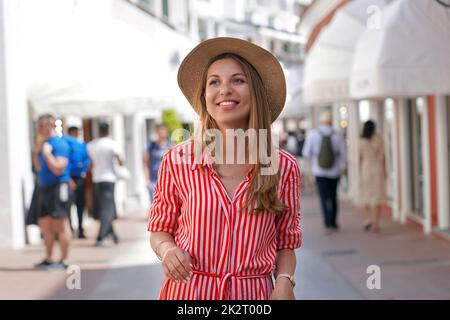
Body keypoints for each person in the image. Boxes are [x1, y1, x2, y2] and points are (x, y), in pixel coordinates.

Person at [147, 37, 301, 300]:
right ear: (205, 96)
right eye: (214, 82)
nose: (224, 89)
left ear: (255, 92)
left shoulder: (282, 167)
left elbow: (286, 243)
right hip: (189, 295)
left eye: (238, 80)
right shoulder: (177, 161)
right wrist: (167, 250)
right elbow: (160, 230)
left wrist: (285, 280)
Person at [32, 114, 72, 270]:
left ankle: (64, 260)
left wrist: (47, 154)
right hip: (43, 187)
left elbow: (57, 168)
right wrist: (37, 153)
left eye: (44, 125)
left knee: (60, 223)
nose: (42, 129)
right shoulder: (44, 144)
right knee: (45, 223)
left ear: (52, 125)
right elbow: (38, 168)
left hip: (58, 186)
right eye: (39, 126)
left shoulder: (59, 144)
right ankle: (49, 258)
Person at [302, 110, 347, 234]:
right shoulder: (336, 135)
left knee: (323, 197)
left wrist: (314, 162)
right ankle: (333, 221)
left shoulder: (313, 134)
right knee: (333, 196)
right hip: (334, 171)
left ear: (321, 121)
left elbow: (306, 153)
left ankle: (327, 222)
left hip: (319, 171)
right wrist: (342, 166)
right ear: (331, 122)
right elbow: (343, 153)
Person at [87, 122, 124, 246]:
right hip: (109, 178)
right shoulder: (112, 144)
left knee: (105, 206)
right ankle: (100, 236)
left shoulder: (92, 145)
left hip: (96, 178)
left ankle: (112, 233)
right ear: (109, 130)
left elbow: (90, 162)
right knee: (107, 208)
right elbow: (121, 161)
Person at [358, 120, 387, 233]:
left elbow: (359, 158)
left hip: (366, 169)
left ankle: (368, 219)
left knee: (365, 195)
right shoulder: (379, 140)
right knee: (377, 196)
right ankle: (376, 223)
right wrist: (385, 172)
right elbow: (383, 157)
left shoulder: (360, 141)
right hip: (377, 169)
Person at [65, 126, 91, 239]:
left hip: (79, 177)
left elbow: (87, 159)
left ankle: (80, 228)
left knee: (80, 204)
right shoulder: (66, 144)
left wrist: (84, 171)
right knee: (68, 204)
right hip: (69, 177)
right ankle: (69, 228)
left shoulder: (81, 145)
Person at [143, 123, 171, 203]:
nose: (162, 132)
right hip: (153, 180)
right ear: (156, 131)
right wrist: (147, 180)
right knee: (154, 204)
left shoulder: (170, 145)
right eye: (160, 130)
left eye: (163, 130)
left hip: (167, 180)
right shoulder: (151, 146)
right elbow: (145, 163)